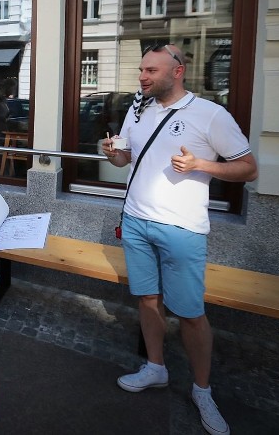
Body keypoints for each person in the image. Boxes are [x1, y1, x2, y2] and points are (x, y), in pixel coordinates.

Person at [103, 44, 257, 435]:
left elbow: (249, 168)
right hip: (137, 221)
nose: (142, 76)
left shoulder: (209, 114)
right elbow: (126, 161)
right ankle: (156, 367)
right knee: (147, 299)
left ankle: (202, 390)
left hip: (182, 229)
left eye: (151, 70)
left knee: (190, 312)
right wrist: (113, 154)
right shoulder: (138, 112)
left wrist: (201, 164)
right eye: (141, 69)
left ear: (178, 71)